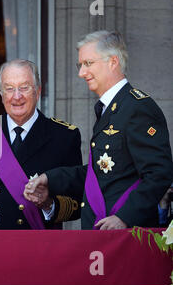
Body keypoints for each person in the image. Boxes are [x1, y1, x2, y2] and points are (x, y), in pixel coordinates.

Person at [24, 30, 173, 230]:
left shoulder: (137, 108)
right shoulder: (111, 107)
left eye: (88, 64)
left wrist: (124, 218)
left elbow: (159, 173)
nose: (81, 73)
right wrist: (49, 179)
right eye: (80, 65)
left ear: (112, 62)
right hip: (103, 233)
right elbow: (100, 173)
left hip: (128, 237)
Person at [0, 59, 83, 229]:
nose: (17, 96)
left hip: (36, 247)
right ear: (1, 94)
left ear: (38, 91)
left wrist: (48, 204)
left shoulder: (64, 136)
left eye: (24, 87)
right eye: (9, 88)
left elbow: (78, 204)